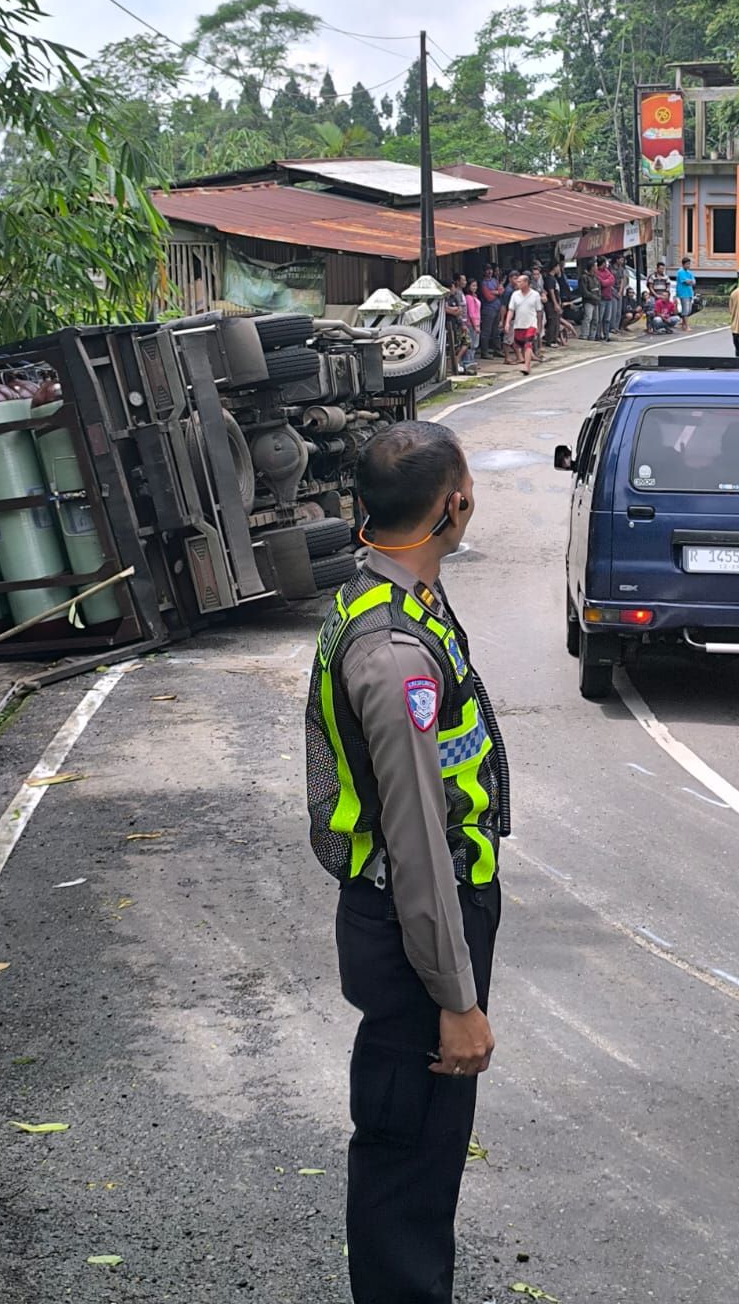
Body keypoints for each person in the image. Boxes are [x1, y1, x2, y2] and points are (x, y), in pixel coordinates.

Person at [306, 422, 508, 1304]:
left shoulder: (388, 596)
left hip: (417, 918)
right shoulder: (393, 654)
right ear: (454, 504)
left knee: (427, 1156)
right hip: (415, 927)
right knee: (407, 1160)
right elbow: (418, 840)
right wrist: (457, 1003)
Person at [506, 270, 542, 374]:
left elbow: (539, 312)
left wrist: (539, 326)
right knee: (521, 344)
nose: (518, 283)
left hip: (531, 323)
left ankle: (527, 366)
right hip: (519, 324)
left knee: (528, 344)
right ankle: (526, 362)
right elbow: (511, 310)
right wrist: (507, 322)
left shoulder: (535, 295)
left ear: (526, 283)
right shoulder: (515, 295)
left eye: (520, 282)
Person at [480, 265, 502, 358]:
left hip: (497, 307)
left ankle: (497, 349)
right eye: (487, 270)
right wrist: (496, 292)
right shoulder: (483, 283)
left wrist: (493, 292)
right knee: (486, 331)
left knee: (496, 331)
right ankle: (484, 352)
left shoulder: (494, 280)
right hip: (488, 309)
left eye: (491, 270)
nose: (489, 272)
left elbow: (501, 291)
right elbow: (488, 297)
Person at [459, 279, 481, 374]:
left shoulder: (473, 297)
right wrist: (475, 326)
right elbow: (471, 313)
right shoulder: (468, 297)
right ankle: (468, 363)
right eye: (472, 286)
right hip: (471, 323)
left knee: (474, 345)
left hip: (476, 322)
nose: (474, 288)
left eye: (475, 286)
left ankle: (471, 363)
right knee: (471, 344)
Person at [579, 257, 602, 341]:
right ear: (592, 267)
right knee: (588, 317)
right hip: (588, 301)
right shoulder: (584, 277)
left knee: (596, 319)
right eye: (595, 266)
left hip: (596, 301)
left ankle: (592, 335)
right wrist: (594, 296)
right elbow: (584, 291)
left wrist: (599, 296)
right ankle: (584, 334)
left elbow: (598, 288)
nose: (597, 268)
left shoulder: (595, 278)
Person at [596, 258, 615, 341]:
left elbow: (612, 279)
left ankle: (606, 335)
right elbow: (603, 283)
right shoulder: (596, 272)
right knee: (600, 318)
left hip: (608, 297)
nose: (605, 265)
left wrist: (606, 282)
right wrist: (607, 282)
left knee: (607, 318)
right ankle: (598, 334)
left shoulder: (607, 271)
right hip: (602, 298)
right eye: (604, 264)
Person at [675, 258, 696, 332]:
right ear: (683, 264)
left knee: (689, 309)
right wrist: (690, 281)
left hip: (689, 293)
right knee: (685, 310)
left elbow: (693, 282)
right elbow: (685, 282)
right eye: (687, 264)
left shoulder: (689, 273)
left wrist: (690, 281)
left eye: (689, 264)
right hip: (683, 293)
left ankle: (683, 324)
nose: (688, 265)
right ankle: (686, 326)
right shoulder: (680, 272)